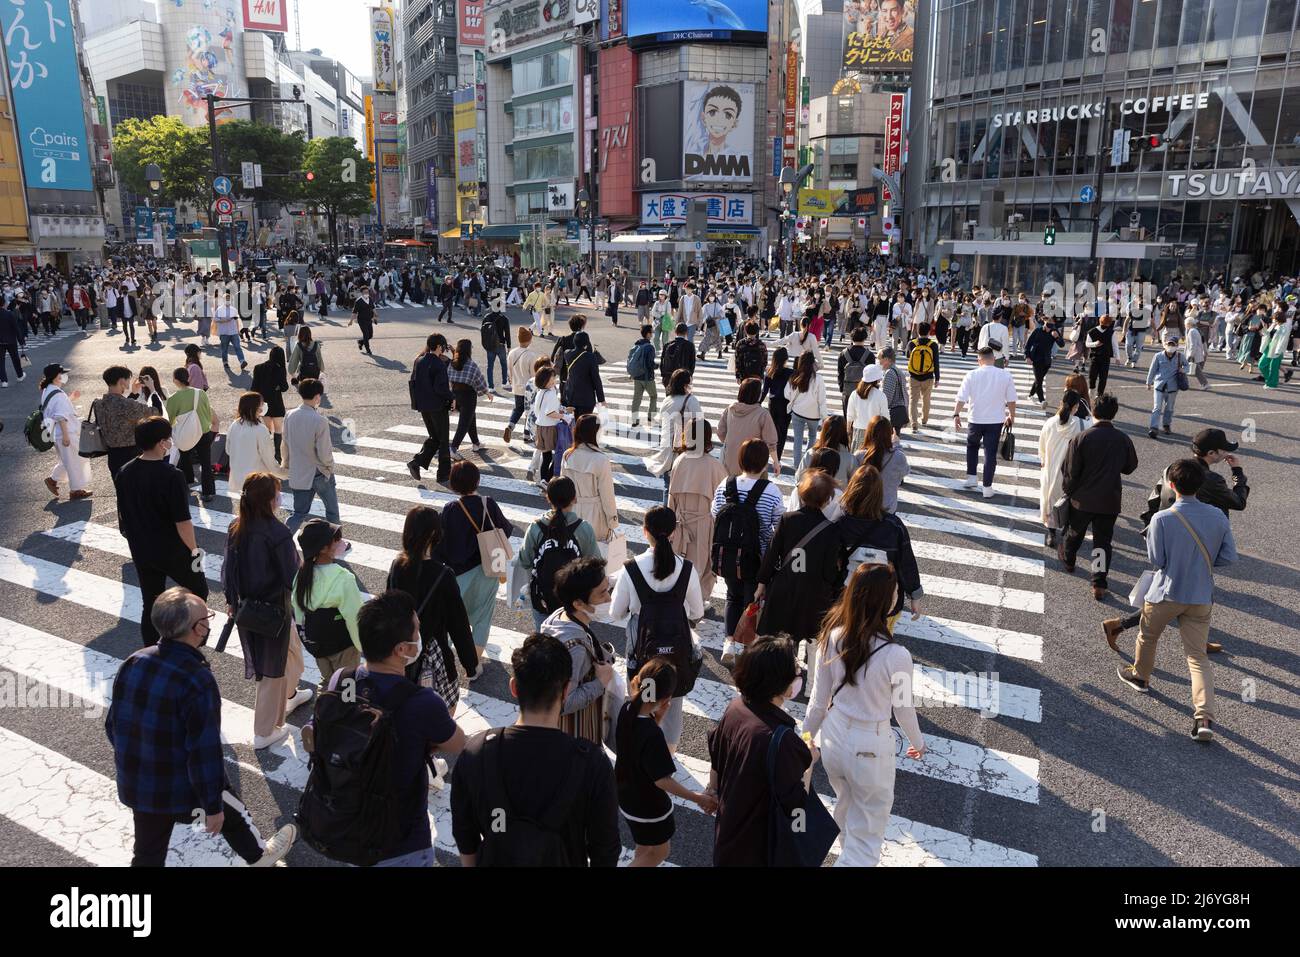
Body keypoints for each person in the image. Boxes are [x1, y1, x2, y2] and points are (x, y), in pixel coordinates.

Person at [105, 587, 298, 867]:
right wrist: (212, 806)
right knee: (234, 815)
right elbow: (203, 750)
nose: (209, 622)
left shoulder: (135, 660)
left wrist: (138, 761)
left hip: (141, 783)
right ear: (197, 629)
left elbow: (114, 724)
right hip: (183, 786)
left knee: (147, 854)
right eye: (206, 617)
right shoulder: (196, 678)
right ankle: (260, 857)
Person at [450, 632, 620, 866]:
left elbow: (465, 836)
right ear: (566, 690)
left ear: (514, 688)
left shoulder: (476, 752)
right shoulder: (592, 763)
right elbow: (606, 850)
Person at [803, 562, 926, 866]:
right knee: (868, 836)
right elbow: (903, 708)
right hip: (870, 744)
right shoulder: (897, 655)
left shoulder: (833, 636)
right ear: (886, 601)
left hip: (833, 737)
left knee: (846, 811)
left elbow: (818, 701)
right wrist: (918, 743)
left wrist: (805, 739)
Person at [334, 591, 467, 865]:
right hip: (402, 840)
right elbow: (458, 743)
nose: (419, 636)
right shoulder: (423, 703)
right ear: (402, 650)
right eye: (416, 631)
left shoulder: (342, 680)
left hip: (351, 824)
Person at [1116, 459, 1237, 742]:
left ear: (1172, 485)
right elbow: (1229, 557)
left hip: (1166, 593)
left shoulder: (1162, 519)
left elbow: (1157, 560)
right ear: (1200, 484)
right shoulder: (1218, 516)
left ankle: (1141, 677)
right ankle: (1203, 718)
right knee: (1197, 657)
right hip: (1200, 595)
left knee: (1148, 636)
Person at [1104, 428, 1248, 652]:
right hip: (1193, 543)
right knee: (1184, 594)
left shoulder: (1174, 468)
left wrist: (1150, 529)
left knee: (1176, 593)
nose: (1225, 454)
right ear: (1211, 453)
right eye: (1223, 451)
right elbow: (1239, 502)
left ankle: (1196, 636)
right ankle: (1118, 626)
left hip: (1166, 536)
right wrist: (1237, 471)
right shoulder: (1210, 479)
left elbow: (1155, 496)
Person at [707, 635, 814, 867]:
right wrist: (810, 761)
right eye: (795, 670)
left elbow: (717, 754)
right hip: (759, 848)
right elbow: (795, 804)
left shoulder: (736, 707)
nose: (798, 675)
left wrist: (711, 790)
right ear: (779, 682)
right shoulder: (780, 739)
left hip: (727, 834)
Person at [221, 472, 310, 749]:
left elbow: (227, 570)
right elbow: (292, 576)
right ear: (270, 500)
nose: (280, 497)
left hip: (248, 608)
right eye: (277, 493)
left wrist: (230, 600)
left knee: (292, 655)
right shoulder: (278, 533)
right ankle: (264, 731)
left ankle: (290, 695)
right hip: (273, 612)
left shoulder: (237, 526)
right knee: (271, 670)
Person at [610, 505, 705, 749]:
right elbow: (697, 612)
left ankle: (641, 749)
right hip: (676, 648)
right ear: (673, 533)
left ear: (644, 532)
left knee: (643, 697)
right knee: (672, 702)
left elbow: (615, 612)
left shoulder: (631, 568)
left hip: (642, 646)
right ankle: (667, 756)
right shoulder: (686, 568)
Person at [116, 417, 210, 645]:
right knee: (198, 591)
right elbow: (183, 522)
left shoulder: (124, 472)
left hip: (141, 548)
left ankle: (151, 648)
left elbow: (123, 514)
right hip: (173, 548)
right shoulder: (171, 475)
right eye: (168, 438)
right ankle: (191, 641)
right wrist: (194, 549)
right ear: (161, 443)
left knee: (151, 601)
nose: (170, 442)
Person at [616, 657, 717, 866]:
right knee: (660, 852)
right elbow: (662, 780)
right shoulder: (652, 734)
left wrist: (658, 718)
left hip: (626, 795)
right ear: (667, 698)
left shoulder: (626, 710)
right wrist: (696, 797)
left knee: (644, 848)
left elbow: (639, 746)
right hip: (648, 806)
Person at [713, 438, 786, 665]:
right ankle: (745, 648)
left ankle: (728, 642)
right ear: (764, 463)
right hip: (757, 558)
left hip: (727, 557)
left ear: (740, 460)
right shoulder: (771, 490)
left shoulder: (726, 484)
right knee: (751, 603)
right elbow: (779, 525)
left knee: (732, 597)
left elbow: (715, 514)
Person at [1058, 393, 1138, 600]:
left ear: (1093, 411)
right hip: (1109, 499)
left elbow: (1069, 471)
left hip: (1082, 499)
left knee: (1075, 533)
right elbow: (1130, 467)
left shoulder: (1082, 438)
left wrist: (1068, 491)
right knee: (1102, 542)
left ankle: (1069, 559)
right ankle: (1099, 582)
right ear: (1114, 414)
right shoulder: (1122, 438)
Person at [755, 471, 844, 646]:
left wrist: (761, 583)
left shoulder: (787, 519)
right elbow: (828, 572)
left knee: (780, 637)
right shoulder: (831, 530)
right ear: (827, 500)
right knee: (807, 635)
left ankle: (784, 665)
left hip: (784, 586)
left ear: (802, 495)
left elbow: (772, 554)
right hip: (812, 594)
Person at [438, 461, 515, 660]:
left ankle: (444, 658)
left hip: (460, 572)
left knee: (453, 615)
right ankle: (474, 663)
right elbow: (505, 530)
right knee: (483, 615)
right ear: (477, 481)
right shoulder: (488, 503)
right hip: (489, 568)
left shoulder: (450, 509)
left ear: (453, 484)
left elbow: (440, 543)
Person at [541, 557, 616, 745]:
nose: (609, 598)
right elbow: (564, 703)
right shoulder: (574, 648)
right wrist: (601, 682)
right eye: (602, 593)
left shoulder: (559, 616)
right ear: (579, 604)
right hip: (575, 734)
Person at [836, 464, 924, 626]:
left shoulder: (841, 523)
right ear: (879, 493)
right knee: (881, 645)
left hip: (849, 597)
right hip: (885, 600)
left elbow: (833, 563)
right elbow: (906, 563)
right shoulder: (894, 525)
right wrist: (915, 595)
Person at [514, 476, 602, 629]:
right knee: (575, 640)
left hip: (543, 597)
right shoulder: (584, 528)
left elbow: (525, 560)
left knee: (545, 643)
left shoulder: (536, 527)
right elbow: (595, 563)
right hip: (575, 601)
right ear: (574, 499)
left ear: (548, 498)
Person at [292, 518, 364, 681]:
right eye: (335, 540)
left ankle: (325, 705)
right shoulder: (343, 579)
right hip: (345, 648)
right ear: (324, 548)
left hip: (319, 646)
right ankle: (345, 706)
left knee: (328, 683)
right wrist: (360, 645)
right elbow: (354, 617)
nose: (340, 542)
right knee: (348, 690)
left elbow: (298, 612)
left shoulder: (301, 576)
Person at [666, 418, 729, 600]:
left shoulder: (680, 461)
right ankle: (697, 603)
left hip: (680, 522)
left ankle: (680, 599)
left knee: (680, 562)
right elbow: (722, 502)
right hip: (704, 523)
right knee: (703, 565)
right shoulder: (714, 466)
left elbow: (672, 497)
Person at [952, 346, 1018, 498]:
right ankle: (987, 487)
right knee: (990, 453)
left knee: (972, 447)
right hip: (995, 420)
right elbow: (1011, 400)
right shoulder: (1005, 375)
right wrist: (1011, 416)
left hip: (975, 419)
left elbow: (961, 397)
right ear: (994, 359)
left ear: (979, 360)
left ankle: (971, 478)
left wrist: (956, 414)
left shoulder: (971, 375)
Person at [282, 378, 339, 524]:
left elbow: (285, 442)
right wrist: (330, 467)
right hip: (319, 472)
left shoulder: (289, 415)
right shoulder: (319, 420)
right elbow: (324, 451)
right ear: (317, 397)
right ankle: (336, 543)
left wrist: (286, 463)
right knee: (332, 511)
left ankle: (283, 543)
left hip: (299, 471)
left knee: (299, 513)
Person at [1037, 390, 1089, 547]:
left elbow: (1042, 447)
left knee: (1051, 501)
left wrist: (1044, 460)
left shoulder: (1050, 423)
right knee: (1070, 502)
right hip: (1072, 472)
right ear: (1076, 407)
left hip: (1051, 470)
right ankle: (1066, 530)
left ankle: (1051, 534)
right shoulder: (1081, 425)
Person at [38, 363, 93, 500]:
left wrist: (71, 398)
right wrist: (66, 436)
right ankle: (75, 490)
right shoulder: (57, 394)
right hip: (65, 433)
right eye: (62, 374)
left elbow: (55, 409)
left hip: (56, 434)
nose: (64, 376)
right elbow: (60, 416)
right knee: (76, 460)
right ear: (56, 377)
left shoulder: (48, 390)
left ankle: (53, 480)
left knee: (68, 460)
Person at [563, 413, 619, 545]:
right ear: (595, 433)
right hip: (595, 515)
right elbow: (607, 495)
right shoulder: (601, 459)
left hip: (572, 513)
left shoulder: (568, 455)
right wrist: (612, 520)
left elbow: (563, 487)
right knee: (594, 556)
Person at [647, 368, 702, 502]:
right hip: (683, 450)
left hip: (667, 450)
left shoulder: (667, 400)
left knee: (668, 487)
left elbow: (663, 421)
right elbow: (699, 425)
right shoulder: (691, 400)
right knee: (685, 488)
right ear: (685, 384)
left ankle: (667, 517)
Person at [407, 333, 454, 484]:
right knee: (443, 440)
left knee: (435, 437)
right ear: (439, 346)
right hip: (437, 406)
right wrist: (452, 397)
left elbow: (413, 382)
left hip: (423, 406)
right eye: (443, 347)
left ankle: (417, 462)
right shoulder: (438, 364)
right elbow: (441, 388)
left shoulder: (419, 360)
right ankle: (443, 474)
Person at [93, 365, 152, 480]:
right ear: (121, 381)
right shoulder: (126, 404)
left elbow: (121, 411)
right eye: (128, 379)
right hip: (132, 454)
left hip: (112, 454)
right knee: (137, 492)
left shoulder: (98, 404)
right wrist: (152, 388)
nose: (129, 382)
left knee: (122, 492)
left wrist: (133, 394)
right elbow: (155, 411)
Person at [226, 391, 288, 492]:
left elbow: (228, 450)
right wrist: (284, 473)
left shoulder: (234, 424)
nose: (264, 406)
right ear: (256, 407)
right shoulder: (260, 429)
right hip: (257, 479)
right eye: (262, 403)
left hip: (238, 477)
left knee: (246, 505)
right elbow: (268, 459)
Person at [718, 376, 779, 477]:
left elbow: (721, 432)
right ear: (757, 394)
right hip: (753, 463)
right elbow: (771, 442)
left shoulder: (730, 409)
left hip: (730, 460)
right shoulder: (763, 414)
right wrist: (776, 462)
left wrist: (732, 442)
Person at [448, 338, 493, 456]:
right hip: (468, 396)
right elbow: (480, 380)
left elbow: (448, 379)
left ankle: (476, 443)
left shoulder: (452, 363)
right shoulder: (471, 365)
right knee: (464, 423)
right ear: (469, 350)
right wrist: (487, 392)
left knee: (470, 419)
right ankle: (453, 448)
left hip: (455, 395)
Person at [785, 351, 828, 473]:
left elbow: (786, 393)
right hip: (813, 415)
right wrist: (825, 417)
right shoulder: (818, 379)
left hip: (797, 412)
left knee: (797, 439)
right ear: (813, 363)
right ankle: (808, 463)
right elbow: (822, 400)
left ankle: (797, 465)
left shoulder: (794, 376)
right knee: (812, 436)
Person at [856, 415, 910, 513]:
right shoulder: (898, 456)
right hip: (888, 507)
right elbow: (905, 471)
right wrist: (897, 445)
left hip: (863, 506)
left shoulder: (859, 455)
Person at [504, 325, 544, 443]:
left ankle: (510, 425)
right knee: (529, 410)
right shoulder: (531, 355)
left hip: (516, 385)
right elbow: (533, 374)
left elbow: (509, 369)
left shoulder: (512, 353)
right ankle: (526, 435)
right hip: (529, 388)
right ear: (529, 340)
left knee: (517, 408)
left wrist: (511, 381)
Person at [251, 345, 289, 462]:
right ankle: (278, 454)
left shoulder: (258, 368)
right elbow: (284, 387)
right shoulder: (280, 369)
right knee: (278, 430)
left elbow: (254, 388)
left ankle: (265, 454)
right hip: (277, 403)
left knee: (266, 430)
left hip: (263, 404)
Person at [795, 414, 855, 487]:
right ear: (844, 433)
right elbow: (854, 484)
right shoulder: (850, 459)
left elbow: (799, 478)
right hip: (839, 497)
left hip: (812, 495)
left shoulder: (811, 453)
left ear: (824, 432)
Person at [530, 365, 567, 483]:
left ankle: (543, 480)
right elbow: (550, 413)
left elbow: (541, 410)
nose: (555, 379)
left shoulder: (541, 392)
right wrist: (564, 416)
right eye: (553, 377)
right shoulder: (550, 393)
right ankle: (548, 480)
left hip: (540, 427)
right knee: (558, 454)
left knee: (546, 457)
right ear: (546, 380)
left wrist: (562, 409)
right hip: (550, 428)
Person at [1145, 333, 1186, 439]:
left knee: (1169, 408)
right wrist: (1148, 382)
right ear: (1165, 345)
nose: (1171, 346)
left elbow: (1188, 366)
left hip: (1173, 387)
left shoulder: (1180, 356)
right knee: (1157, 407)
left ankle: (1166, 425)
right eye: (1169, 344)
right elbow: (1152, 369)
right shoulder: (1158, 356)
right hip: (1159, 385)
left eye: (1173, 345)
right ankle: (1154, 428)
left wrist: (1183, 369)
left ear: (1177, 346)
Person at [562, 330, 606, 420]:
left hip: (570, 395)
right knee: (583, 425)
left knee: (571, 423)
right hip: (586, 398)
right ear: (587, 343)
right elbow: (596, 379)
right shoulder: (590, 357)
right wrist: (601, 399)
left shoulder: (567, 353)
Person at [761, 347, 794, 466]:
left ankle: (768, 452)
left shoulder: (769, 372)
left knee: (771, 430)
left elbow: (764, 391)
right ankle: (778, 456)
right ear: (786, 359)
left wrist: (758, 403)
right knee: (783, 431)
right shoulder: (791, 373)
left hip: (772, 403)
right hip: (785, 404)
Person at [905, 328, 941, 432]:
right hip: (928, 376)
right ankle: (924, 420)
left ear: (918, 332)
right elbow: (936, 362)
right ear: (928, 332)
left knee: (913, 400)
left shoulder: (912, 343)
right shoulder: (933, 345)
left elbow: (908, 356)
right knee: (926, 399)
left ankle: (914, 424)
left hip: (914, 377)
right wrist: (937, 378)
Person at [837, 327, 874, 416]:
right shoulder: (869, 355)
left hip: (848, 391)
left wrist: (842, 388)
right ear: (865, 338)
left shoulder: (843, 354)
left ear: (851, 338)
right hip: (864, 392)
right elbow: (872, 376)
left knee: (848, 418)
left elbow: (840, 373)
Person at [1024, 315, 1059, 406]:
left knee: (1038, 379)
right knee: (1039, 381)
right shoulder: (1037, 331)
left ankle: (1030, 394)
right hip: (1036, 359)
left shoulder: (1054, 331)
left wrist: (1057, 337)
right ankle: (1042, 400)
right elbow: (1028, 345)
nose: (1048, 329)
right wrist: (1027, 356)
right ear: (1044, 323)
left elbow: (1062, 344)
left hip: (1047, 361)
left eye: (1051, 327)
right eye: (1047, 326)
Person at [627, 323, 658, 427]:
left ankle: (634, 420)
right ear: (648, 334)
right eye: (651, 332)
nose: (652, 333)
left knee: (636, 398)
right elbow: (650, 364)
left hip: (637, 376)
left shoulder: (637, 344)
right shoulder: (650, 347)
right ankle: (650, 416)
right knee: (653, 396)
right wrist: (656, 366)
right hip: (647, 377)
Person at [1085, 313, 1119, 396]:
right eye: (1105, 323)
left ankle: (1099, 394)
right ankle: (1091, 389)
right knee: (1092, 375)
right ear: (1100, 322)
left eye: (1107, 323)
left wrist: (1117, 357)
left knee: (1103, 377)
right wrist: (1095, 344)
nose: (1106, 325)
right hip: (1094, 357)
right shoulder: (1092, 332)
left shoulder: (1112, 333)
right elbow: (1087, 344)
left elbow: (1115, 345)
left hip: (1106, 357)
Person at [878, 347, 909, 432]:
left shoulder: (890, 373)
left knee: (889, 441)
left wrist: (881, 412)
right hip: (899, 410)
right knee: (894, 440)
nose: (879, 362)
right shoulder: (897, 370)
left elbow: (887, 398)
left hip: (893, 412)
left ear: (887, 359)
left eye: (880, 359)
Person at [214, 292, 248, 372]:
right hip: (224, 333)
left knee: (237, 347)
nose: (228, 300)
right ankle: (225, 362)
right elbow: (215, 319)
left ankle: (242, 361)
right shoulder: (219, 309)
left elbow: (236, 320)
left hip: (233, 332)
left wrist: (238, 330)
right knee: (224, 349)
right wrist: (223, 320)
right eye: (226, 299)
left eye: (229, 299)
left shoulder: (234, 309)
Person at [479, 305, 511, 391]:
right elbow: (507, 333)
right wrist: (509, 346)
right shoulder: (504, 318)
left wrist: (485, 343)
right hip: (500, 344)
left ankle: (491, 386)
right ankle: (504, 382)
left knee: (490, 366)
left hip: (490, 345)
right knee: (504, 364)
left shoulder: (487, 317)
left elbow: (482, 331)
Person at [660, 322, 696, 389]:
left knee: (669, 397)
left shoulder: (667, 345)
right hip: (683, 377)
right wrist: (690, 376)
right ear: (686, 332)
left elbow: (662, 361)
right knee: (681, 397)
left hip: (668, 376)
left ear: (675, 331)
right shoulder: (690, 345)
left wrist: (663, 375)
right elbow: (692, 363)